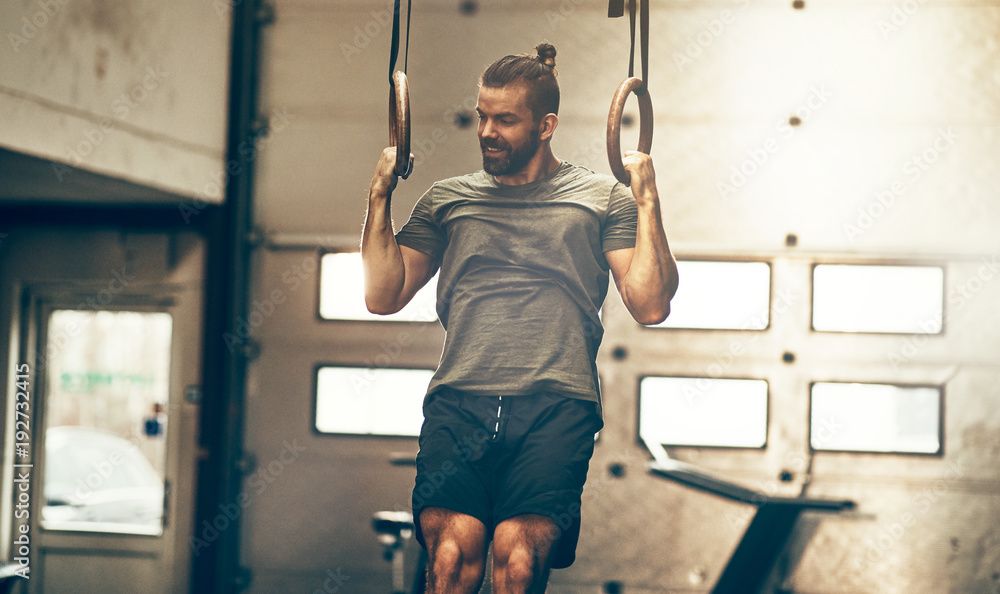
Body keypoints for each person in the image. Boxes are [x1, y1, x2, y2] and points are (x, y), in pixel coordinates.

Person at [361, 42, 679, 594]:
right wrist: (378, 197)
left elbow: (650, 303)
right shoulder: (446, 200)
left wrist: (648, 202)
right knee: (450, 559)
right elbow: (383, 295)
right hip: (461, 400)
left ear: (546, 124)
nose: (487, 131)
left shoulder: (601, 200)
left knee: (517, 562)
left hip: (557, 405)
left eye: (505, 120)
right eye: (483, 117)